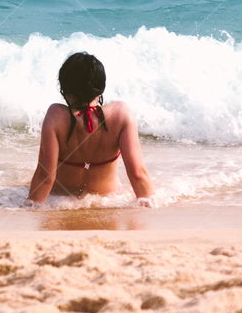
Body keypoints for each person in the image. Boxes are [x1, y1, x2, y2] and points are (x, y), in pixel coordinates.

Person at [28, 52, 153, 206]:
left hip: (60, 201)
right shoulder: (120, 114)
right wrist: (149, 208)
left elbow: (45, 177)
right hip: (108, 202)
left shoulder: (56, 116)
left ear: (65, 89)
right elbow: (138, 174)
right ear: (101, 88)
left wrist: (30, 209)